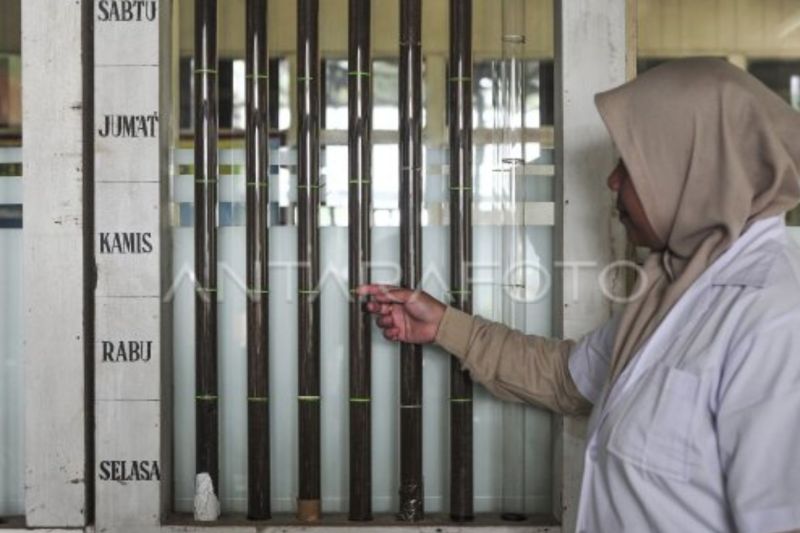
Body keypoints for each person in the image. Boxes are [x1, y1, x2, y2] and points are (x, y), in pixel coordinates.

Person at [359, 58, 800, 533]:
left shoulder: (777, 319)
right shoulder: (677, 286)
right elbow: (565, 379)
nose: (612, 181)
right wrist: (444, 324)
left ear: (691, 173)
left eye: (630, 165)